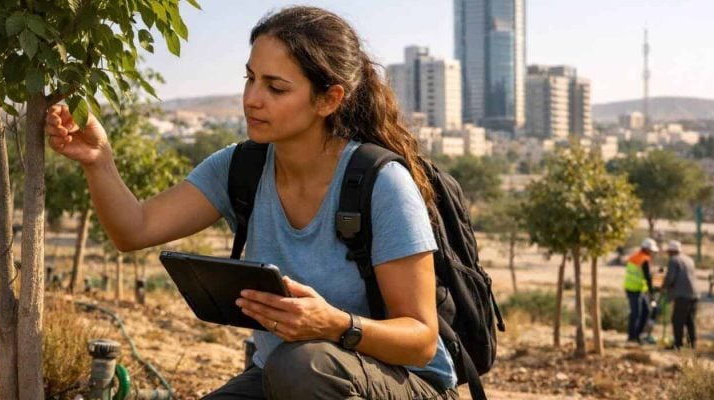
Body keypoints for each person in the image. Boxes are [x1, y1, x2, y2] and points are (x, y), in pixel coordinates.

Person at [45, 6, 458, 399]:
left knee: (303, 366)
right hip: (280, 375)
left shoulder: (382, 183)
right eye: (250, 79)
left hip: (401, 383)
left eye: (276, 87)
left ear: (329, 99)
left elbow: (420, 341)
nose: (252, 99)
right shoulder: (240, 166)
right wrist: (99, 161)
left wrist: (334, 325)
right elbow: (133, 230)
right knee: (292, 368)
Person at [661, 240, 699, 350]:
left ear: (672, 251)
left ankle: (678, 344)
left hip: (683, 295)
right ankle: (692, 344)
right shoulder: (689, 259)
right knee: (690, 320)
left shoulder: (674, 260)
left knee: (677, 320)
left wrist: (664, 287)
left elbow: (670, 278)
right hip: (694, 294)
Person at [624, 238, 658, 344]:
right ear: (647, 249)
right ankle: (632, 337)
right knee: (636, 313)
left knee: (645, 311)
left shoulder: (634, 256)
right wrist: (652, 292)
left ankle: (637, 335)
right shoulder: (644, 259)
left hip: (635, 288)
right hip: (634, 289)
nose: (652, 253)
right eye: (651, 250)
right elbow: (647, 277)